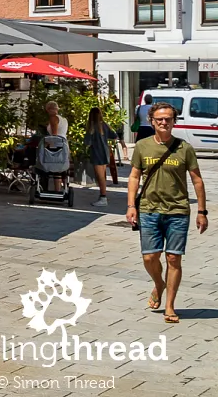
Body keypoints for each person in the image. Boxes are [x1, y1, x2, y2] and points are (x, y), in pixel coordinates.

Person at [126, 102, 207, 323]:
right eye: (159, 119)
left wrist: (202, 211)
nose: (164, 122)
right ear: (151, 121)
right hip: (148, 210)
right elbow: (134, 176)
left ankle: (170, 306)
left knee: (173, 258)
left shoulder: (184, 148)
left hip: (178, 211)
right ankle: (158, 283)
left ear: (174, 121)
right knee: (150, 257)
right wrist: (131, 205)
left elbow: (197, 180)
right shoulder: (142, 146)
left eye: (168, 119)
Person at [86, 105, 124, 207]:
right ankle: (103, 196)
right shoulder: (104, 125)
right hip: (105, 152)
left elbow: (87, 142)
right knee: (103, 176)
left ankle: (103, 197)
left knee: (100, 177)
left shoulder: (92, 127)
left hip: (96, 153)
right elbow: (115, 136)